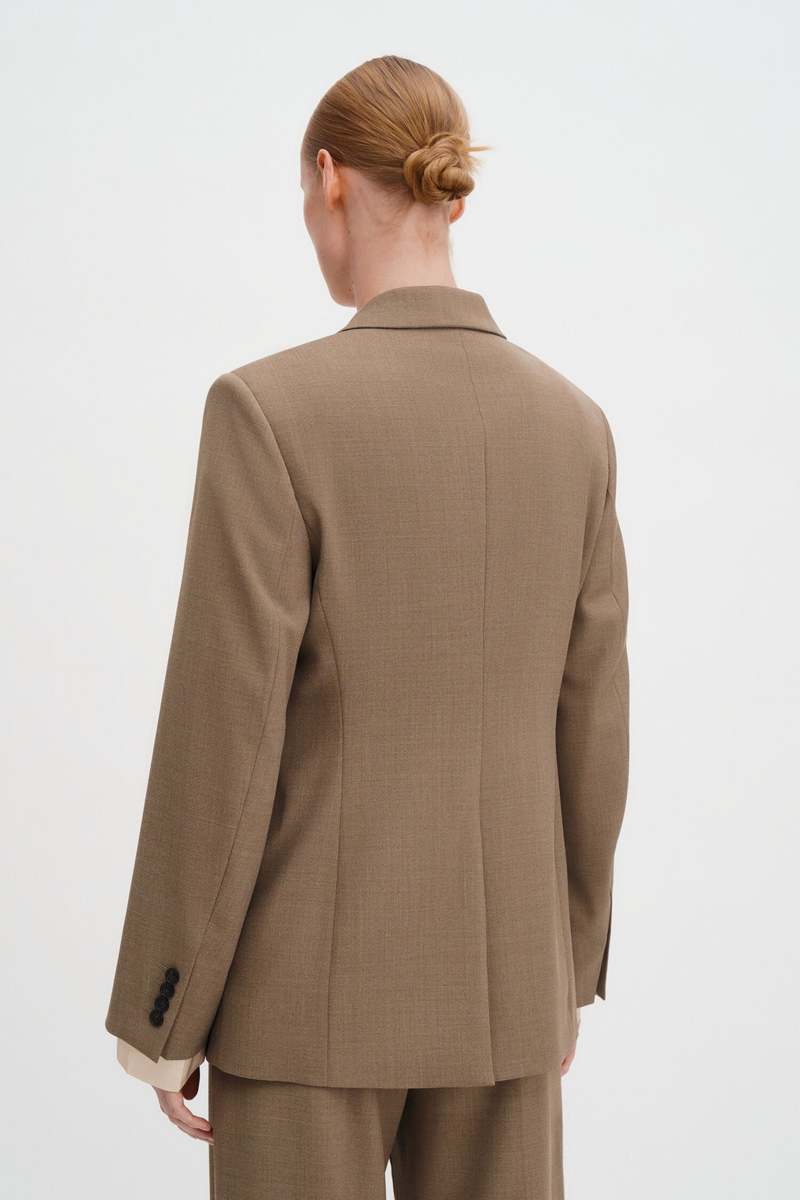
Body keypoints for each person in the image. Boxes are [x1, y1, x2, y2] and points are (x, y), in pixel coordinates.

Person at [106, 54, 629, 1199]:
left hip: (300, 1010)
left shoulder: (269, 412)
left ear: (329, 177)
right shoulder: (574, 428)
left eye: (305, 195)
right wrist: (561, 973)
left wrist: (165, 1008)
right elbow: (590, 729)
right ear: (448, 196)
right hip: (505, 998)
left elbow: (221, 739)